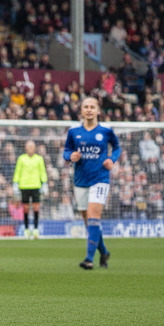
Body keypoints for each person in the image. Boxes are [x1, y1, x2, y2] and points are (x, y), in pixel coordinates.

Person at [64, 97, 121, 270]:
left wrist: (112, 160)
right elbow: (67, 151)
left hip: (100, 178)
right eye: (86, 107)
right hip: (80, 180)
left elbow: (117, 148)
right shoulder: (73, 132)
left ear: (98, 111)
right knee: (88, 221)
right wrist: (70, 156)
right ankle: (103, 252)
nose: (89, 110)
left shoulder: (106, 131)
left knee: (94, 217)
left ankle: (89, 259)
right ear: (81, 110)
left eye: (92, 107)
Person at [13, 139, 47, 238]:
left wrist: (44, 182)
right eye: (29, 147)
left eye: (32, 147)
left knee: (36, 207)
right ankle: (27, 229)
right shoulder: (21, 159)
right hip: (24, 186)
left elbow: (42, 171)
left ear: (35, 148)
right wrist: (16, 183)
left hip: (36, 185)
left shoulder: (39, 159)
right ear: (26, 148)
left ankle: (36, 229)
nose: (30, 149)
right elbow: (18, 171)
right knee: (26, 208)